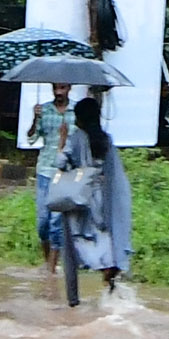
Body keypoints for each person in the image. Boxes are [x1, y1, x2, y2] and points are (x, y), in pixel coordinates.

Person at [58, 93, 133, 299]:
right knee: (103, 235)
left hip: (80, 198)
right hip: (102, 198)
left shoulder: (75, 139)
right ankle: (111, 273)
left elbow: (59, 164)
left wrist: (61, 142)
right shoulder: (105, 140)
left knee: (79, 238)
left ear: (79, 118)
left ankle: (97, 270)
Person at [30, 83, 79, 272]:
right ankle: (47, 261)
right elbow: (31, 137)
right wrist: (35, 119)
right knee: (43, 221)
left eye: (62, 88)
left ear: (69, 89)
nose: (59, 92)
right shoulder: (45, 110)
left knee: (56, 222)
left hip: (65, 173)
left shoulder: (75, 113)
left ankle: (51, 267)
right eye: (56, 89)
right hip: (45, 171)